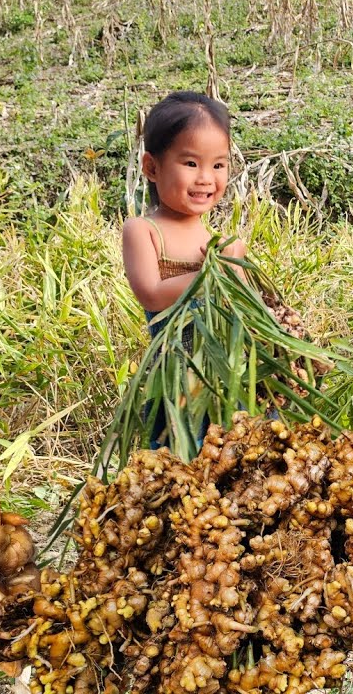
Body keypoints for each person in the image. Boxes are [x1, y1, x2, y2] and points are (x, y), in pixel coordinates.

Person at [120, 91, 245, 446]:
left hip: (224, 380)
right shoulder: (143, 230)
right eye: (191, 164)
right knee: (177, 469)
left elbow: (243, 311)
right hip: (176, 383)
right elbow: (152, 294)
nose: (206, 178)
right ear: (152, 168)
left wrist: (238, 268)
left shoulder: (216, 240)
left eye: (218, 165)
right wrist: (210, 272)